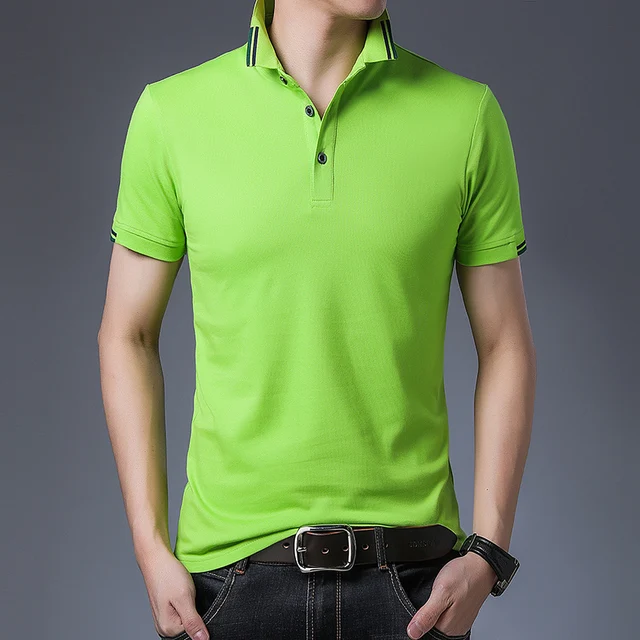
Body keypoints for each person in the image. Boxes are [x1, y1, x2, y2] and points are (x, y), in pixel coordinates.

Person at [98, 0, 536, 638]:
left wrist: (488, 551)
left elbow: (505, 344)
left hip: (412, 587)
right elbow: (127, 334)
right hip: (225, 589)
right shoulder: (172, 114)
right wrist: (148, 547)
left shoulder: (465, 116)